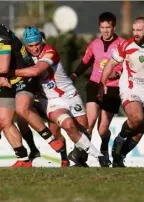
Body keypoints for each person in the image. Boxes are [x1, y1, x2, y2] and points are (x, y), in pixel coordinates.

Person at [0, 7, 59, 167]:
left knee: (22, 109)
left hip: (24, 78)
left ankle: (51, 140)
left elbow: (3, 67)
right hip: (9, 81)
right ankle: (24, 159)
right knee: (4, 120)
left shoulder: (1, 38)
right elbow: (0, 64)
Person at [13, 26, 111, 167]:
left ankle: (78, 160)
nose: (35, 49)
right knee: (67, 125)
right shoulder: (23, 57)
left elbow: (36, 71)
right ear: (25, 45)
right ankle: (96, 158)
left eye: (37, 44)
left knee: (84, 129)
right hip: (51, 101)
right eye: (31, 46)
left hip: (69, 94)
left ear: (41, 41)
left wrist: (11, 72)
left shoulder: (49, 51)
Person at [69, 12, 125, 165]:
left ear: (114, 27)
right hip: (95, 84)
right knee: (89, 122)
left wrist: (117, 73)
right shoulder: (94, 44)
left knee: (102, 130)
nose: (105, 31)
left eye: (108, 27)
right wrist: (73, 76)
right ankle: (80, 157)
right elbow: (85, 62)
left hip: (113, 89)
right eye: (102, 27)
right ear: (99, 27)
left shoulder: (123, 44)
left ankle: (104, 149)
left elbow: (128, 66)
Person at [98, 17, 144, 167]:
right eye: (134, 30)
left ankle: (120, 156)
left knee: (140, 129)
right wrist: (101, 84)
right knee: (137, 118)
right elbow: (110, 64)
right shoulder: (127, 45)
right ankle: (120, 138)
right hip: (131, 87)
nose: (135, 33)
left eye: (139, 30)